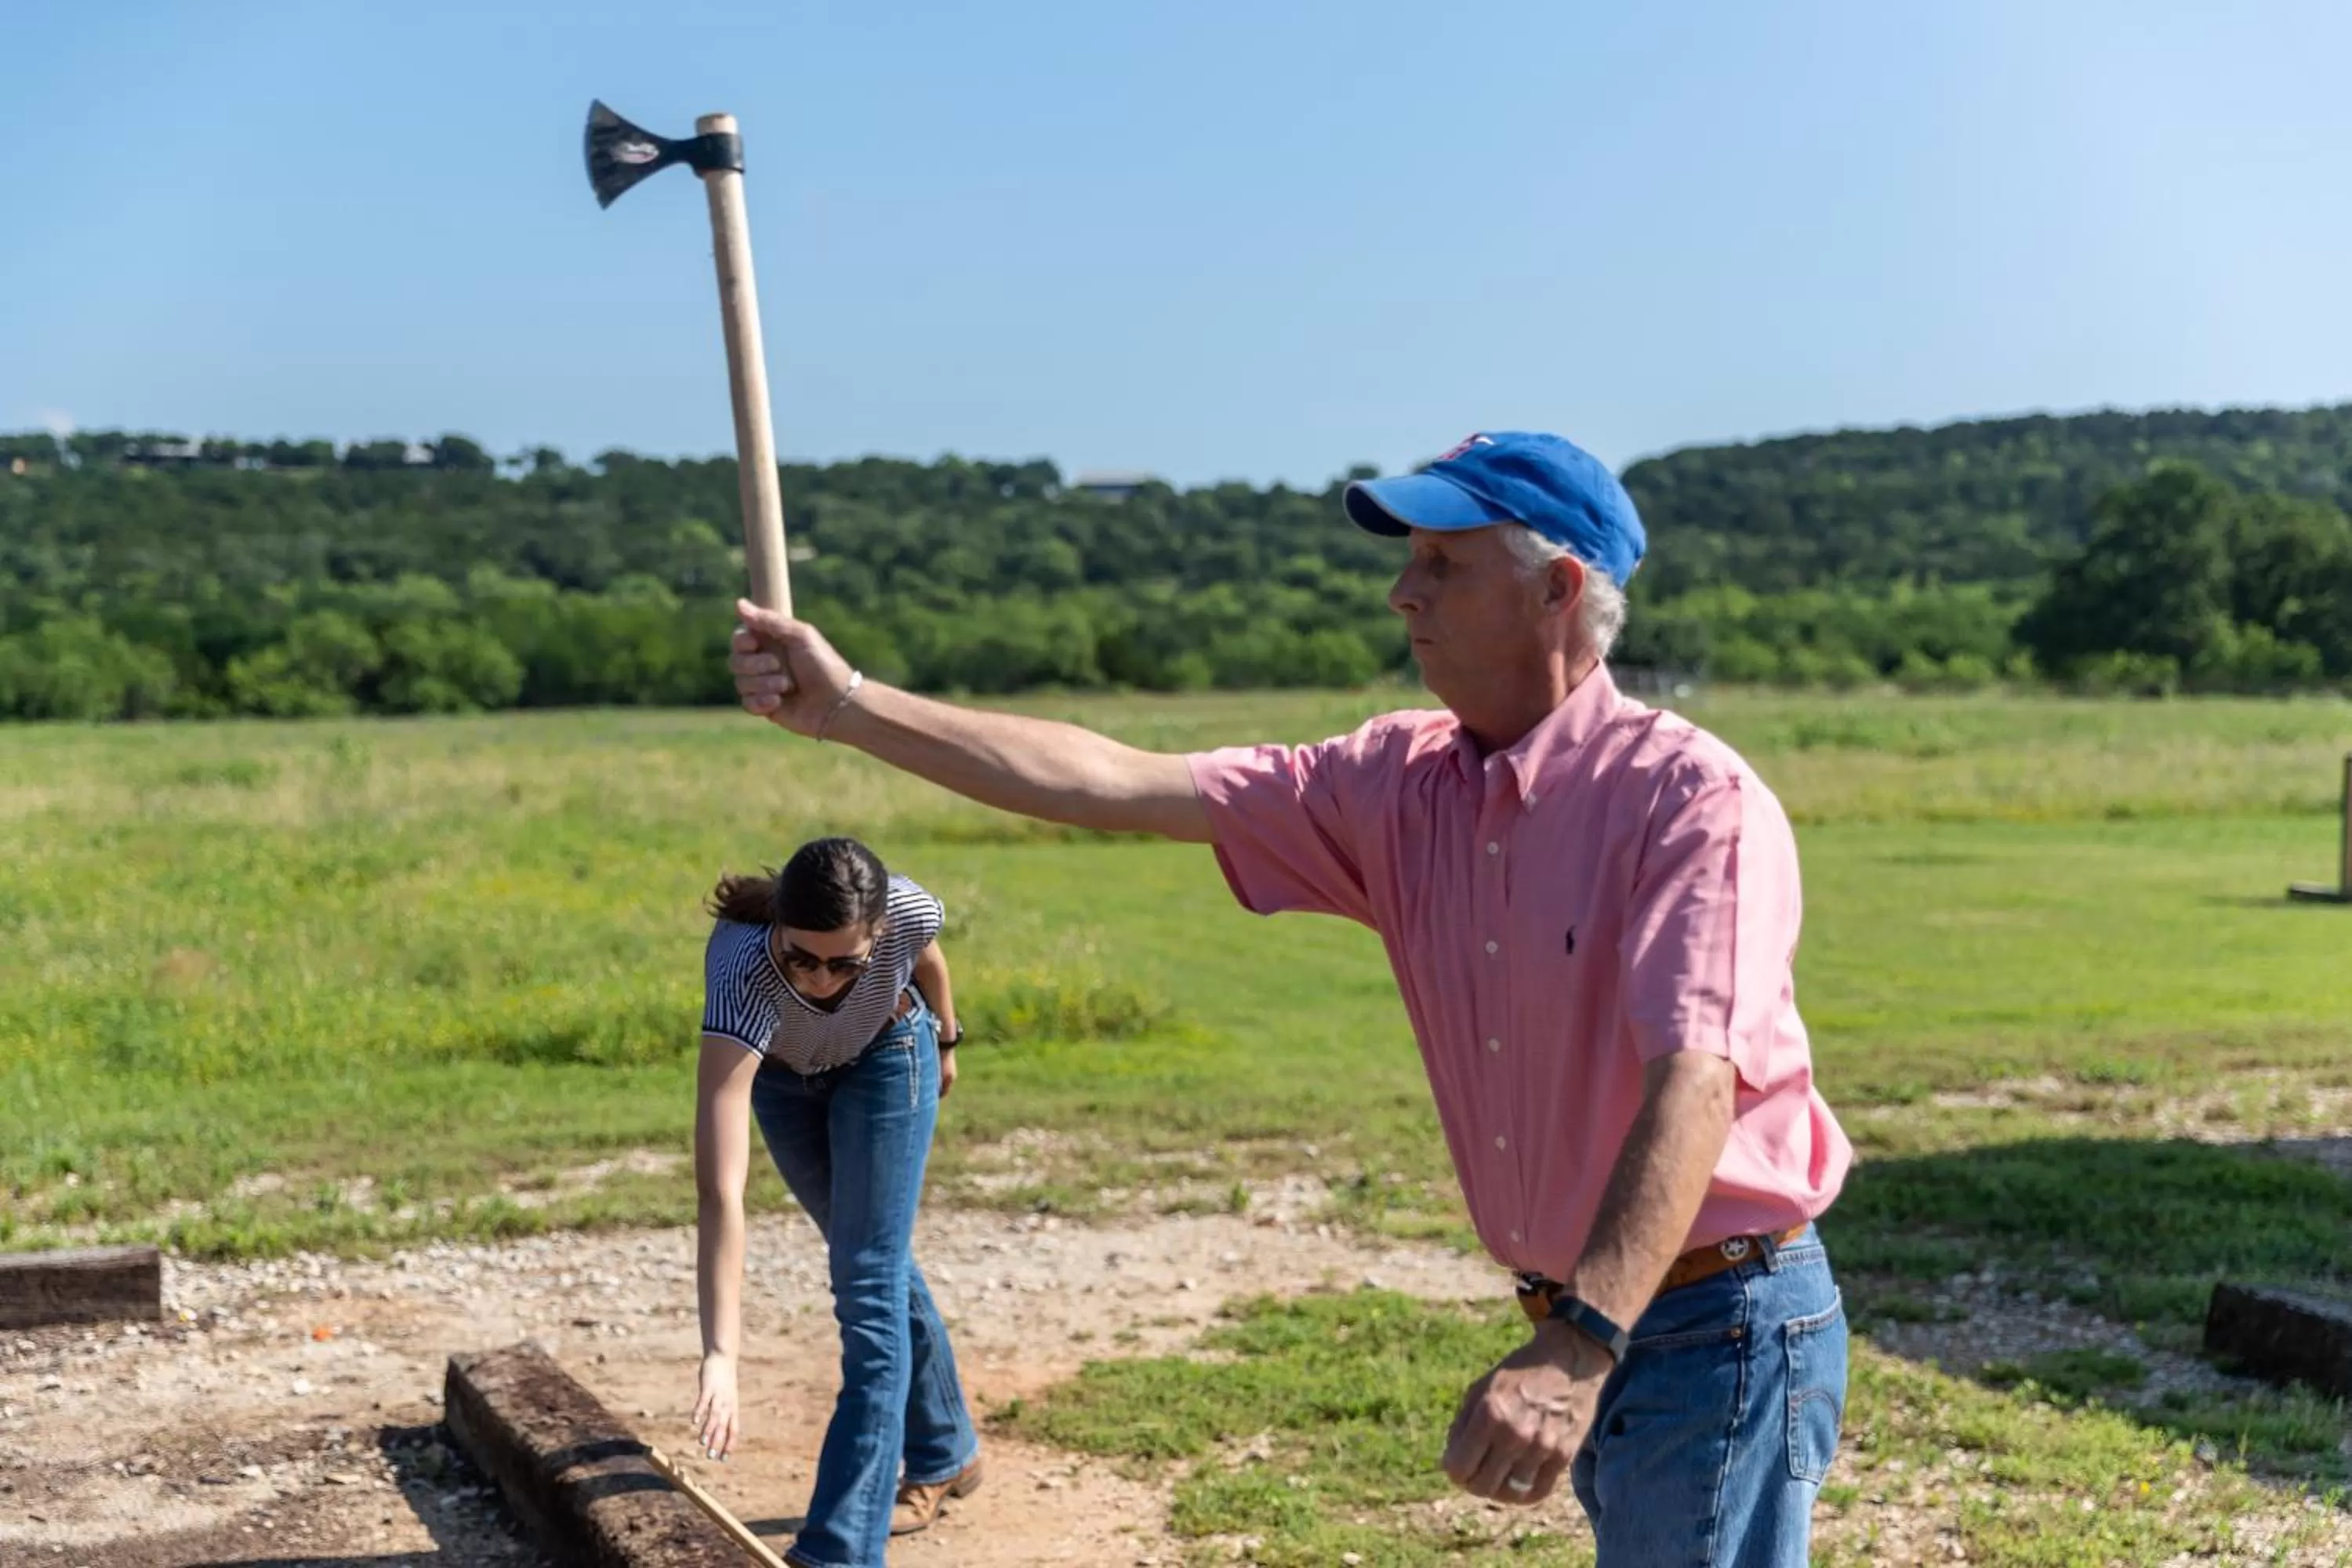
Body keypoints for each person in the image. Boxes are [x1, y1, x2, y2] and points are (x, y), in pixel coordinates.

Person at [725, 431, 1856, 1568]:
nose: (1401, 590)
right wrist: (849, 707)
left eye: (1443, 564)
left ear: (1559, 588)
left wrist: (1581, 1341)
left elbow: (1697, 1082)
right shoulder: (1397, 784)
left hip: (1713, 1321)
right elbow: (1116, 780)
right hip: (1601, 1316)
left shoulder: (1689, 801)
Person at [690, 836, 984, 1568]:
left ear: (875, 934)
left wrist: (947, 1040)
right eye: (801, 958)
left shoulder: (908, 911)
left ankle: (838, 1550)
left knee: (867, 1287)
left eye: (844, 963)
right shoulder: (740, 970)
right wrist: (721, 1355)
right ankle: (946, 1450)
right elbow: (720, 1190)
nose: (821, 978)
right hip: (786, 1082)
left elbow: (927, 956)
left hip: (889, 1060)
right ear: (779, 931)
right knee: (869, 1263)